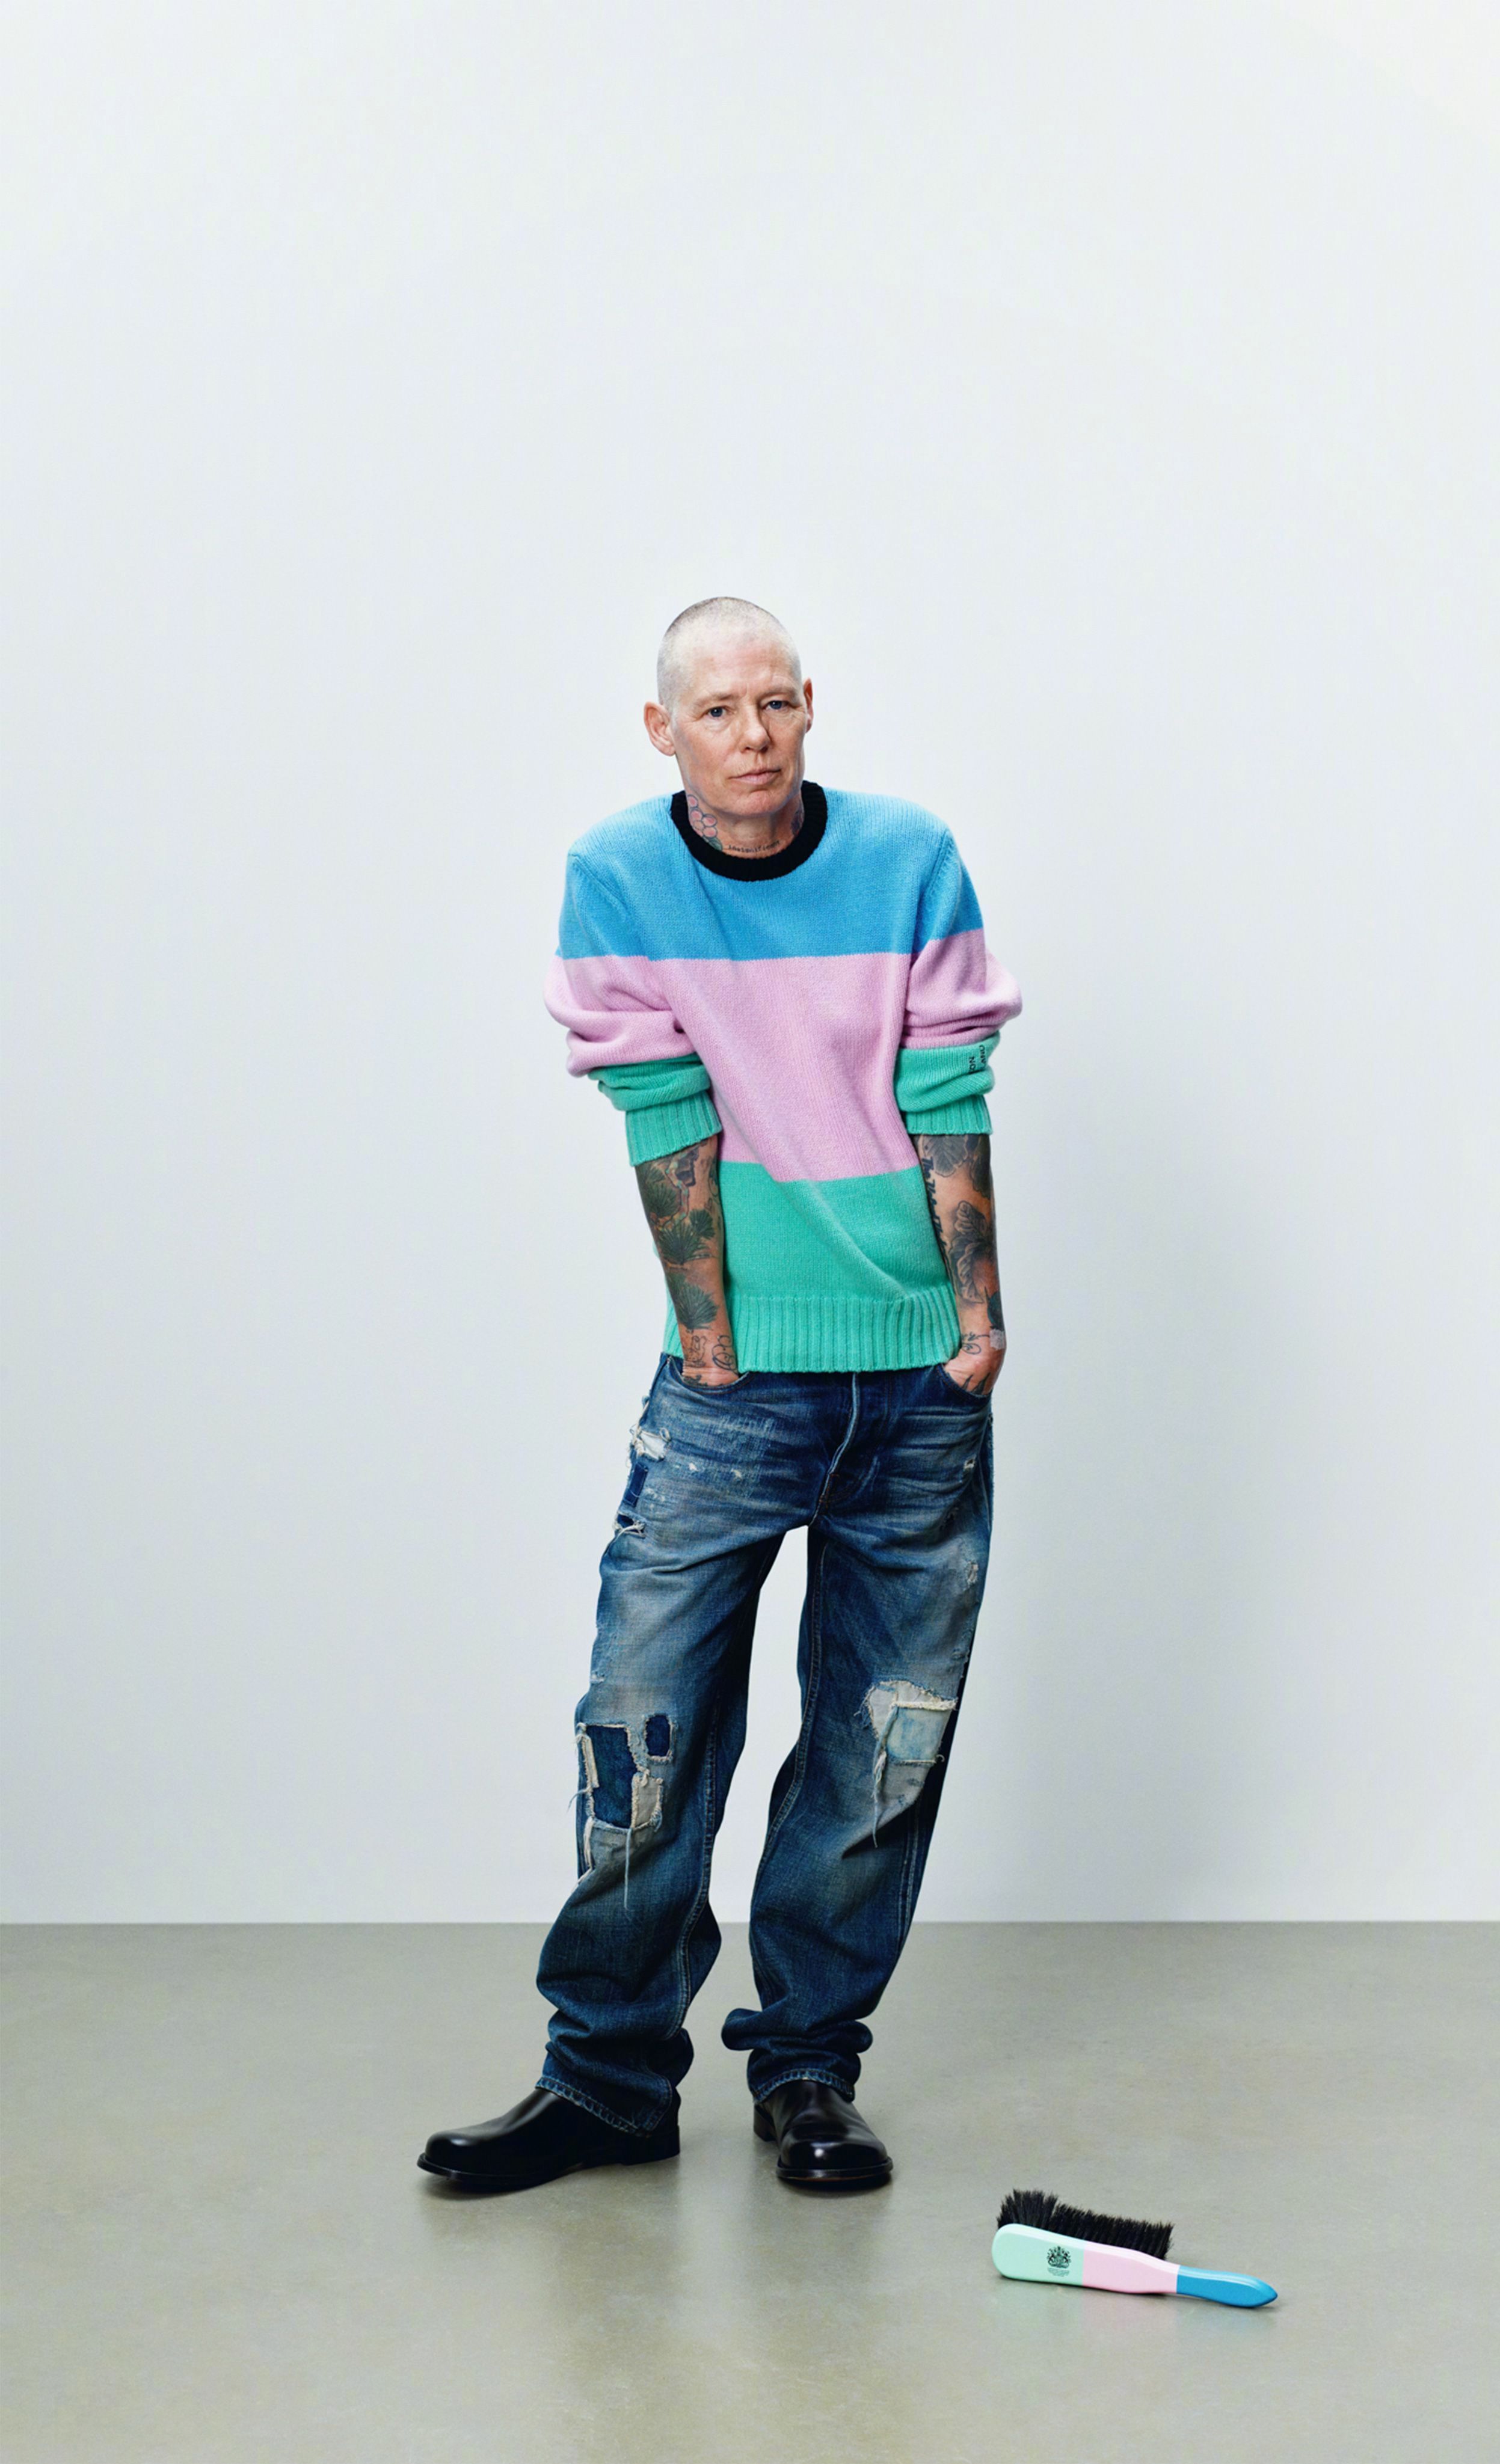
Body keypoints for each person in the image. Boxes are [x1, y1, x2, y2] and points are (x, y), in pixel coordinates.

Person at [419, 598, 1022, 2194]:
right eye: (716, 711)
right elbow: (660, 1107)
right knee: (647, 1724)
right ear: (661, 729)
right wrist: (708, 1340)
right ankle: (606, 2079)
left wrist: (976, 1321)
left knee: (878, 1751)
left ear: (810, 704)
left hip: (917, 1382)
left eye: (776, 703)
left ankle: (809, 2071)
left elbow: (948, 1088)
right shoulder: (621, 873)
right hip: (735, 1389)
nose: (752, 737)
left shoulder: (907, 857)